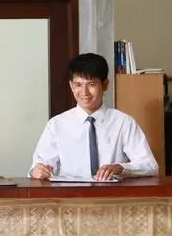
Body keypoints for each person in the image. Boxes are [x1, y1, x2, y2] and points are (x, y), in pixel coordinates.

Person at [29, 53, 158, 181]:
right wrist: (37, 170)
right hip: (69, 193)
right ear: (71, 86)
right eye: (78, 85)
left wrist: (120, 168)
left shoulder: (124, 123)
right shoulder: (56, 125)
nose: (84, 92)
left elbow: (150, 166)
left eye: (91, 84)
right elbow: (37, 167)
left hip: (112, 193)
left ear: (105, 85)